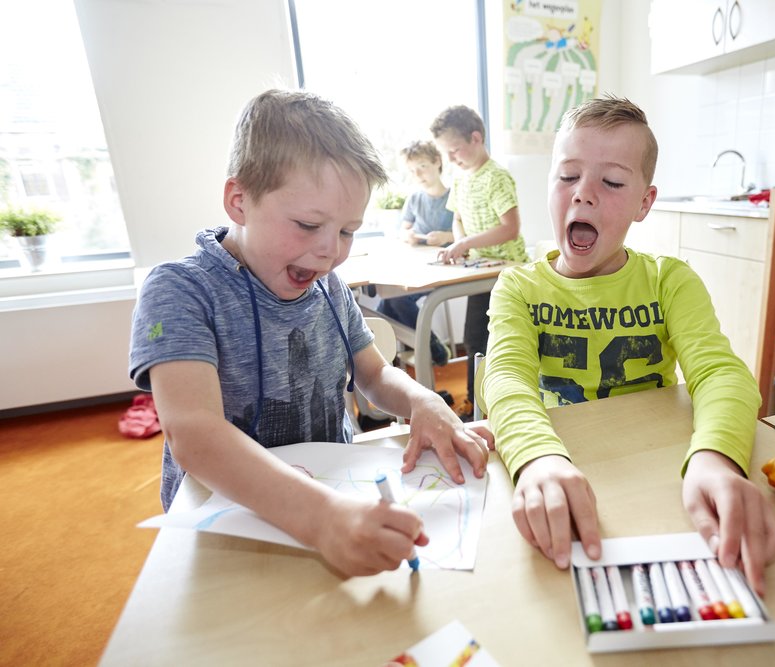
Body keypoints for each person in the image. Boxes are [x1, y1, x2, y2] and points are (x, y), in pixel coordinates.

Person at [128, 89, 492, 578]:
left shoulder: (329, 286)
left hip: (335, 503)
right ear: (239, 201)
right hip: (231, 521)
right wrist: (320, 517)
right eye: (307, 224)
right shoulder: (180, 290)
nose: (329, 252)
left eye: (347, 231)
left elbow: (375, 374)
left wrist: (424, 403)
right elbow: (193, 434)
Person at [479, 95, 775, 596]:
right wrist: (536, 458)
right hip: (564, 466)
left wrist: (717, 457)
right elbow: (507, 379)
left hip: (658, 472)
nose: (583, 194)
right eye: (567, 176)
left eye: (613, 182)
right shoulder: (518, 287)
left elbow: (720, 374)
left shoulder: (671, 281)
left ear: (645, 202)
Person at [430, 105, 529, 419]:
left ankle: (490, 404)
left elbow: (510, 227)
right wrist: (460, 243)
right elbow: (457, 218)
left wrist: (465, 243)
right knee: (474, 338)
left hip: (505, 272)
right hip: (479, 269)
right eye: (446, 153)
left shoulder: (496, 176)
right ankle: (475, 404)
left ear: (476, 138)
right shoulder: (460, 179)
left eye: (455, 150)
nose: (451, 159)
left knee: (490, 339)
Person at [377, 140, 454, 367]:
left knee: (392, 303)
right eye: (412, 170)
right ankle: (427, 352)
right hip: (418, 266)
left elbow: (466, 232)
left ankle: (431, 350)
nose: (418, 174)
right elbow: (403, 229)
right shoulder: (414, 198)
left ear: (437, 162)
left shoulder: (453, 197)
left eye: (422, 166)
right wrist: (408, 235)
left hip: (445, 268)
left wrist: (447, 237)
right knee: (387, 303)